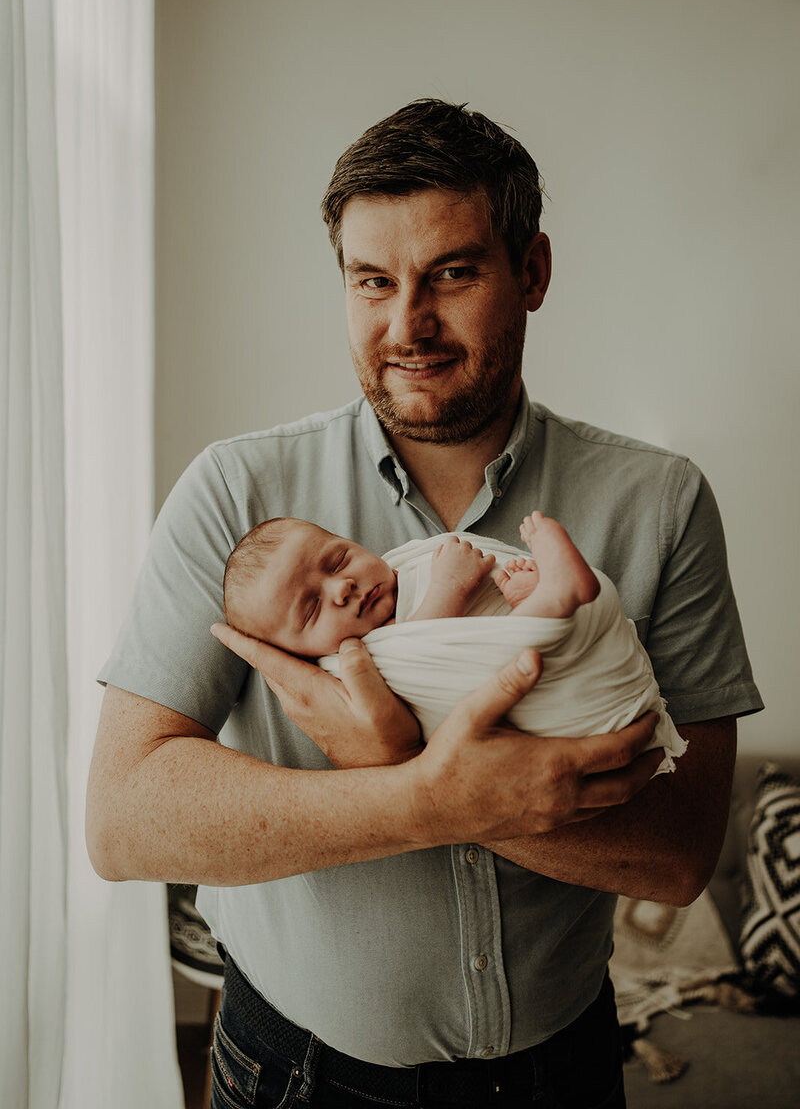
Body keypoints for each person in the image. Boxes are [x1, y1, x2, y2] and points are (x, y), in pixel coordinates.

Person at [87, 99, 762, 1108]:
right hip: (295, 1072)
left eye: (450, 273)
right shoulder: (237, 497)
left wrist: (396, 758)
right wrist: (427, 796)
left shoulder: (658, 503)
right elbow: (124, 823)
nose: (406, 325)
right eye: (371, 281)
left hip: (563, 1071)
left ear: (530, 272)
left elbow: (670, 860)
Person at [222, 512, 687, 768]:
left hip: (582, 675)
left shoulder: (409, 565)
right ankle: (556, 599)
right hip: (548, 701)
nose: (340, 587)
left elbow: (477, 631)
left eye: (339, 559)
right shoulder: (351, 664)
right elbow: (420, 652)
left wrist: (502, 589)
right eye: (311, 608)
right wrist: (450, 587)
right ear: (300, 656)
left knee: (514, 625)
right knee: (519, 650)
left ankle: (540, 597)